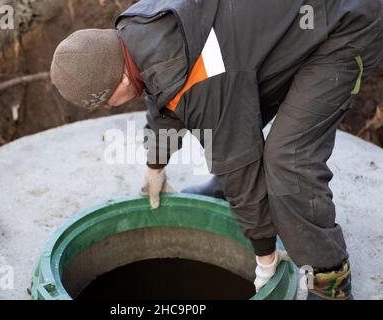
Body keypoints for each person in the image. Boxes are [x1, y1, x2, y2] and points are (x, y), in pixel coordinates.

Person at [50, 0, 383, 300]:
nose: (110, 105)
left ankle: (329, 283)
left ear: (122, 80)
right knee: (231, 113)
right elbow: (162, 97)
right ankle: (225, 191)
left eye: (107, 100)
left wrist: (264, 256)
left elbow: (238, 160)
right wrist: (155, 167)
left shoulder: (198, 75)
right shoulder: (140, 30)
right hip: (286, 23)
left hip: (343, 26)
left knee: (288, 160)